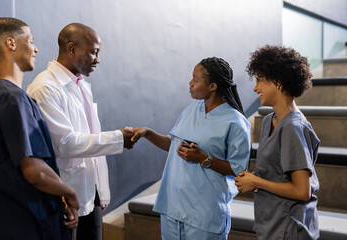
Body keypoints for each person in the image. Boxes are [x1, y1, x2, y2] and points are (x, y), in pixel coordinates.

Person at [27, 23, 134, 240]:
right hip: (65, 197)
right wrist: (118, 138)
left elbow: (90, 136)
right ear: (71, 48)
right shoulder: (46, 87)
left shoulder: (80, 84)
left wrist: (101, 191)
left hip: (90, 193)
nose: (98, 59)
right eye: (93, 52)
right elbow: (65, 143)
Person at [131, 57, 251, 239]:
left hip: (204, 214)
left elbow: (239, 170)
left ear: (212, 86)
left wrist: (204, 158)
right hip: (173, 207)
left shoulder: (235, 121)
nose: (190, 83)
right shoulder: (191, 108)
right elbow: (173, 146)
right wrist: (147, 133)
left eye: (195, 79)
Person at [0, 17, 79, 240]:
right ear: (11, 43)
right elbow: (35, 171)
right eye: (30, 40)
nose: (36, 48)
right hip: (28, 222)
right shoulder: (14, 99)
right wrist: (69, 192)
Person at [234, 45, 320, 239]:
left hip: (289, 228)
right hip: (270, 223)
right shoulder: (268, 121)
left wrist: (256, 181)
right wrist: (254, 179)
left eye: (260, 80)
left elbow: (301, 191)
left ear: (278, 82)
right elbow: (279, 174)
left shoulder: (293, 127)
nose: (256, 87)